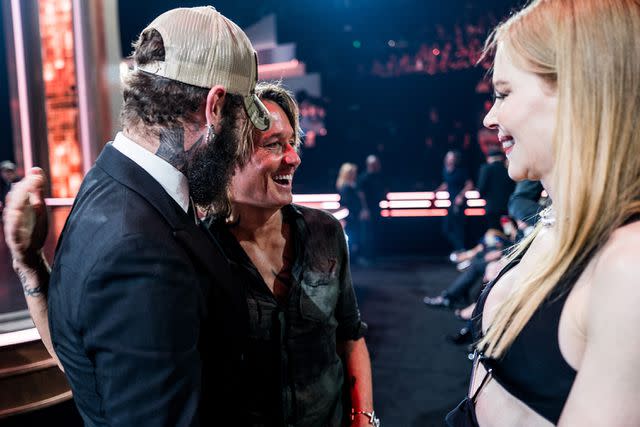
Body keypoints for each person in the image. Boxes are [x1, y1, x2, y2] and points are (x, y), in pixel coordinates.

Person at [5, 83, 377, 427]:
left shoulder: (324, 232)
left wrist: (362, 418)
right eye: (274, 144)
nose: (294, 158)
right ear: (230, 157)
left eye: (293, 142)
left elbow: (350, 334)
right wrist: (30, 262)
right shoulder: (194, 252)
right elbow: (83, 359)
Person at [4, 6, 271, 426]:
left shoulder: (107, 183)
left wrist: (31, 265)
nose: (244, 146)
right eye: (242, 120)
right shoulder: (142, 252)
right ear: (215, 108)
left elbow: (89, 360)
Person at [446, 0, 640, 425]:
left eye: (503, 93)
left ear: (580, 90)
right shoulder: (553, 222)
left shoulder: (629, 265)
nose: (490, 117)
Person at [436, 150, 474, 253]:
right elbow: (447, 183)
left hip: (459, 203)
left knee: (458, 227)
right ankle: (459, 249)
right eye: (448, 157)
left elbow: (469, 184)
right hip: (450, 202)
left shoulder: (461, 170)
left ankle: (461, 250)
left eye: (452, 158)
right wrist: (437, 191)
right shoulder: (445, 170)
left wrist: (460, 196)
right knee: (447, 228)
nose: (450, 160)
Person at [476, 148, 514, 231]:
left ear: (489, 158)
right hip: (507, 207)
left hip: (492, 208)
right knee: (508, 231)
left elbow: (481, 188)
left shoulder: (486, 169)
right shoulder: (508, 170)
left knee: (495, 232)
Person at [336, 163, 369, 258]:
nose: (355, 175)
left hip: (354, 214)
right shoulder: (346, 187)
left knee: (356, 235)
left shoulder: (353, 185)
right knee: (352, 236)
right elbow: (348, 202)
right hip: (351, 215)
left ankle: (354, 256)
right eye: (353, 173)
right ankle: (352, 257)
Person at [358, 155, 384, 261]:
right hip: (368, 209)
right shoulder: (364, 177)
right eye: (376, 164)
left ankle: (373, 256)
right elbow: (361, 195)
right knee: (367, 233)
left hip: (375, 207)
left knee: (374, 232)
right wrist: (365, 209)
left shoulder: (377, 176)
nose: (378, 166)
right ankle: (366, 256)